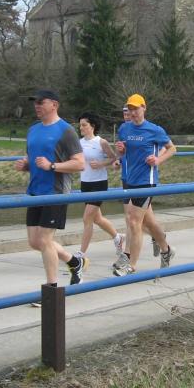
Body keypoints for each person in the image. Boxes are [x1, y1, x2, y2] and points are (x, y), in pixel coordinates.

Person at [14, 89, 85, 293]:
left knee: (45, 240)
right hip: (35, 192)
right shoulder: (33, 130)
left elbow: (80, 164)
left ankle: (51, 290)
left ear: (54, 105)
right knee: (35, 242)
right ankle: (74, 262)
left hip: (56, 193)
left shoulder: (66, 131)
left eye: (40, 102)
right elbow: (36, 161)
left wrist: (52, 166)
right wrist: (26, 165)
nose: (36, 106)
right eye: (34, 102)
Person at [113, 94, 176, 276]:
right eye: (130, 109)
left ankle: (131, 265)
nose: (133, 112)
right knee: (148, 221)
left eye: (136, 109)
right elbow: (125, 153)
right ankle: (166, 249)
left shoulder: (154, 130)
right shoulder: (124, 128)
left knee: (134, 222)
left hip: (146, 181)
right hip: (129, 180)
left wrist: (158, 160)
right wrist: (121, 152)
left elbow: (172, 148)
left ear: (144, 108)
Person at [73, 112, 124, 277]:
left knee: (87, 218)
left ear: (92, 126)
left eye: (84, 125)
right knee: (97, 218)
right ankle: (117, 238)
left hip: (99, 184)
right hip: (85, 183)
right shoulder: (79, 143)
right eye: (80, 125)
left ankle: (81, 255)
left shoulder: (101, 142)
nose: (81, 128)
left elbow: (113, 158)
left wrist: (101, 163)